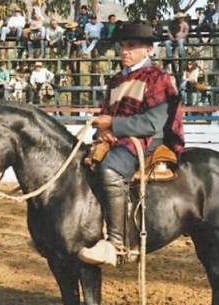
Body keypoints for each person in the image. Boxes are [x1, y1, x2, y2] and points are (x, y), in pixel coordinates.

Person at [77, 22, 185, 269]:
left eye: (132, 46)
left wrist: (112, 124)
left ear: (148, 49)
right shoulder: (116, 80)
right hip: (118, 136)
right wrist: (103, 131)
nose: (125, 51)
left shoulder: (159, 78)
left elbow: (151, 122)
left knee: (110, 169)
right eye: (123, 46)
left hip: (148, 139)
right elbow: (104, 116)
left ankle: (118, 243)